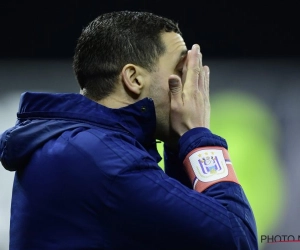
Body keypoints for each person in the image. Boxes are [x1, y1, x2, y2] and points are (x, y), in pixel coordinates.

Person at [0, 10, 258, 249]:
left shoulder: (79, 144)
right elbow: (237, 239)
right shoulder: (101, 158)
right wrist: (199, 136)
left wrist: (177, 144)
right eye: (181, 71)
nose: (192, 87)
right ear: (134, 79)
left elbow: (185, 238)